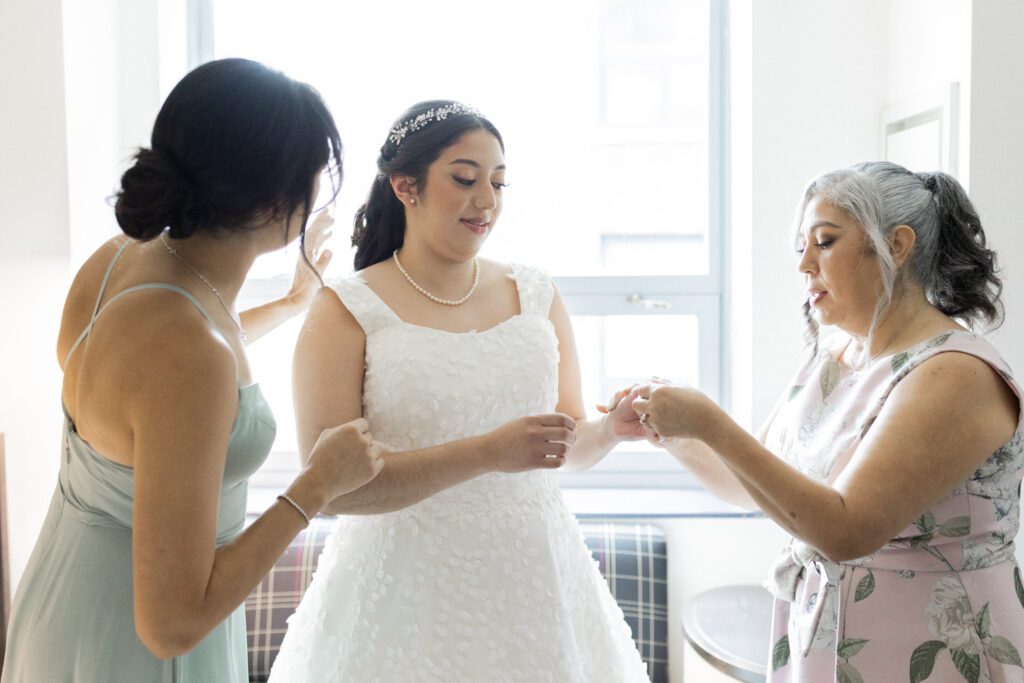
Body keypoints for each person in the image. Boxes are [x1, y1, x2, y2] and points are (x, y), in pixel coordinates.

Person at [2, 58, 384, 682]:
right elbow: (170, 625)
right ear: (276, 196)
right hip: (132, 646)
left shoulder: (119, 260)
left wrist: (290, 306)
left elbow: (155, 381)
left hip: (62, 604)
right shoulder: (191, 356)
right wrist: (318, 484)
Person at [267, 101, 652, 681]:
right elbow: (333, 491)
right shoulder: (346, 309)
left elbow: (565, 445)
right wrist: (487, 453)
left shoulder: (536, 293)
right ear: (406, 186)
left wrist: (612, 430)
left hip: (534, 582)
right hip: (400, 595)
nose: (488, 201)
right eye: (466, 179)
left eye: (499, 183)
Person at [630, 161, 1023, 681]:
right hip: (823, 637)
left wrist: (709, 422)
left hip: (928, 646)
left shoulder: (956, 373)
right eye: (802, 247)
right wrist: (676, 434)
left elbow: (846, 529)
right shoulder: (834, 354)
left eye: (825, 241)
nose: (804, 265)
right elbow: (750, 485)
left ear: (897, 246)